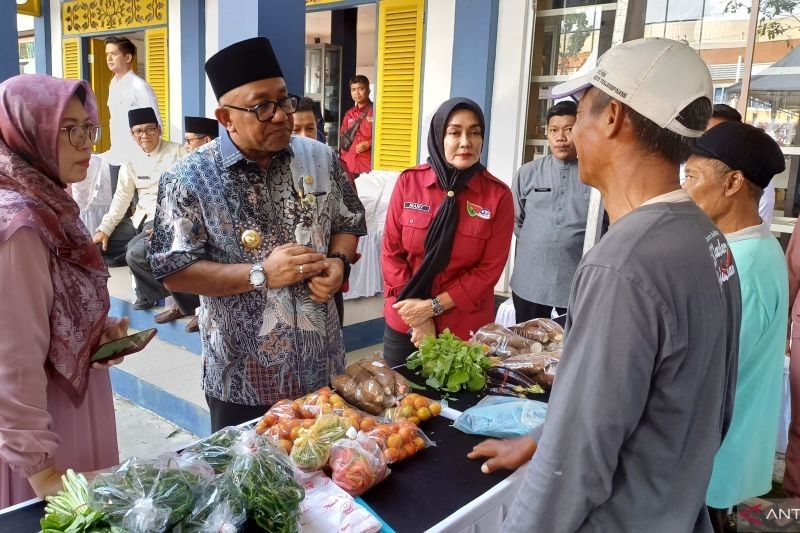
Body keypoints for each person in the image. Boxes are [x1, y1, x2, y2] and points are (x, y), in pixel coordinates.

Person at [469, 38, 741, 532]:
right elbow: (705, 406)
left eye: (584, 112)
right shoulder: (705, 236)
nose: (574, 131)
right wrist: (542, 437)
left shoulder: (623, 263)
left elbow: (574, 467)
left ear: (613, 116)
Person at [149, 37, 367, 431]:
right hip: (242, 380)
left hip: (323, 367)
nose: (281, 116)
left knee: (328, 479)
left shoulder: (321, 158)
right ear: (226, 117)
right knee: (252, 487)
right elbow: (174, 270)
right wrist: (261, 273)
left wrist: (338, 261)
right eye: (261, 107)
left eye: (284, 101)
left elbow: (349, 222)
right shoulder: (188, 179)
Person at [0, 74, 130, 508]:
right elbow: (13, 360)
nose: (86, 143)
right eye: (68, 129)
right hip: (44, 428)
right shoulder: (22, 225)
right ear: (28, 133)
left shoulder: (49, 202)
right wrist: (43, 475)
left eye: (88, 127)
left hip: (70, 399)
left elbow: (45, 312)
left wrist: (95, 333)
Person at [682, 121, 788, 532]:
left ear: (733, 184)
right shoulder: (735, 248)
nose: (685, 188)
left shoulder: (748, 265)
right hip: (716, 454)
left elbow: (706, 373)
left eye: (691, 176)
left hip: (718, 461)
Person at [380, 98, 514, 366]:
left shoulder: (497, 196)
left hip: (463, 329)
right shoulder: (410, 182)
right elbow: (391, 253)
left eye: (474, 132)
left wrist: (432, 307)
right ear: (439, 136)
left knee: (455, 406)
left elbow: (488, 271)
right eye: (455, 132)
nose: (466, 142)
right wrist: (420, 316)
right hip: (406, 321)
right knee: (401, 404)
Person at [126, 116, 218, 332]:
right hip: (178, 228)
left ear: (206, 140)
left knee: (173, 253)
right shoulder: (188, 167)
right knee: (136, 252)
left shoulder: (219, 169)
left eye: (190, 140)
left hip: (206, 237)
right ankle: (186, 301)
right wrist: (163, 230)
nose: (186, 145)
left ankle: (200, 307)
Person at [510, 100, 590, 320]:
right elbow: (516, 221)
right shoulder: (528, 173)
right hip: (530, 281)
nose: (560, 138)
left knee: (570, 346)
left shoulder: (594, 174)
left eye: (569, 130)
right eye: (553, 130)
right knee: (526, 346)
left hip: (576, 282)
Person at [92, 107, 185, 277]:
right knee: (96, 249)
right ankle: (130, 255)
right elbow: (121, 197)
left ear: (159, 129)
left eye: (150, 129)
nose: (144, 135)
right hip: (137, 219)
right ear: (132, 134)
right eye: (138, 131)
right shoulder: (130, 159)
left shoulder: (178, 152)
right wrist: (104, 229)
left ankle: (141, 283)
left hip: (162, 218)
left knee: (136, 252)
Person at [104, 35, 161, 168]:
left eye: (113, 54)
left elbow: (155, 124)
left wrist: (151, 157)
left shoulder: (140, 86)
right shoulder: (112, 84)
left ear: (128, 57)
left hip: (137, 158)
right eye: (107, 54)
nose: (109, 58)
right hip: (116, 154)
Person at [339, 75, 373, 180]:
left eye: (361, 89)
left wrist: (369, 143)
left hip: (367, 167)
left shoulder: (376, 111)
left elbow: (386, 135)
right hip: (349, 165)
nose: (357, 93)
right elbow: (342, 137)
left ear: (368, 90)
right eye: (353, 89)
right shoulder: (348, 114)